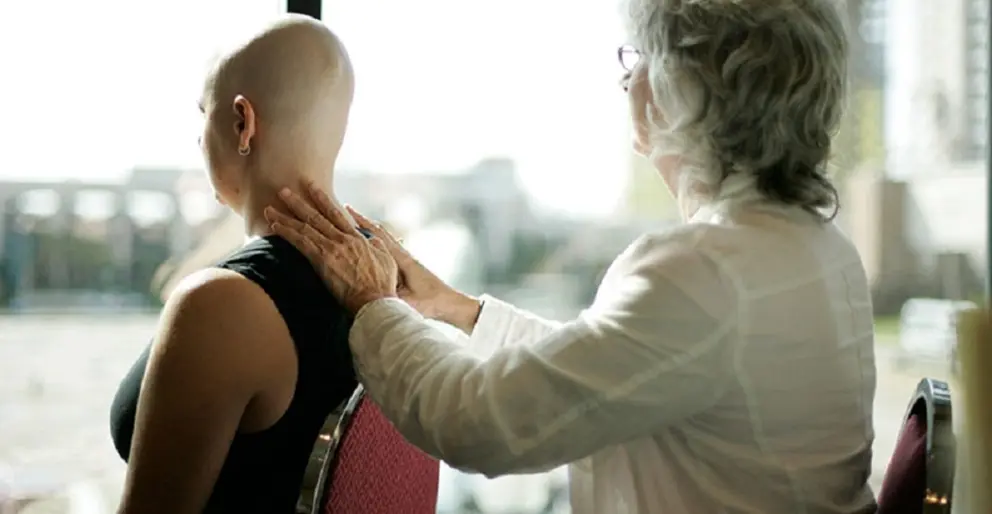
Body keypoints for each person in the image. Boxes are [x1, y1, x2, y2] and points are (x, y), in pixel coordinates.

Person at [265, 0, 878, 513]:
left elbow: (478, 424)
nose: (625, 78)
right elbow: (619, 371)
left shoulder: (706, 273)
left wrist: (371, 301)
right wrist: (459, 310)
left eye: (639, 57)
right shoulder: (818, 248)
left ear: (686, 90)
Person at [109, 15, 363, 514]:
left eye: (204, 115)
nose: (198, 142)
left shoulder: (222, 304)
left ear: (242, 123)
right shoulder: (384, 275)